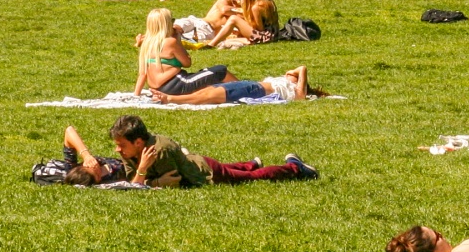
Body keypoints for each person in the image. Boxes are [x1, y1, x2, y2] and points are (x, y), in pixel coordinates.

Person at [104, 114, 316, 186]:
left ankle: (295, 168)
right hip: (197, 161)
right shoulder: (131, 153)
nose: (117, 150)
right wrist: (143, 172)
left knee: (252, 178)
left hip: (207, 172)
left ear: (139, 142)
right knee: (243, 170)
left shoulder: (160, 152)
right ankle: (250, 163)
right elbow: (133, 186)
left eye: (121, 145)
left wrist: (144, 177)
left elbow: (173, 184)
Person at [148, 64, 321, 107]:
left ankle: (171, 98)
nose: (288, 73)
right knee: (209, 91)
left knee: (210, 95)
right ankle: (172, 98)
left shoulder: (293, 90)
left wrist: (299, 73)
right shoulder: (285, 82)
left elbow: (301, 96)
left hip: (254, 90)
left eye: (292, 75)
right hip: (251, 85)